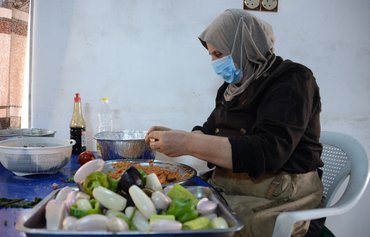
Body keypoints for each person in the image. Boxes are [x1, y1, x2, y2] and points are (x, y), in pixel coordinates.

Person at [145, 9, 324, 237]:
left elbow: (268, 151)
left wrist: (188, 143)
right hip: (232, 185)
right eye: (211, 55)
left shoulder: (292, 80)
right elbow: (209, 131)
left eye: (219, 54)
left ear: (245, 45)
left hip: (279, 193)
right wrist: (175, 136)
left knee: (206, 227)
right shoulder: (232, 89)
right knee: (164, 206)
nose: (214, 62)